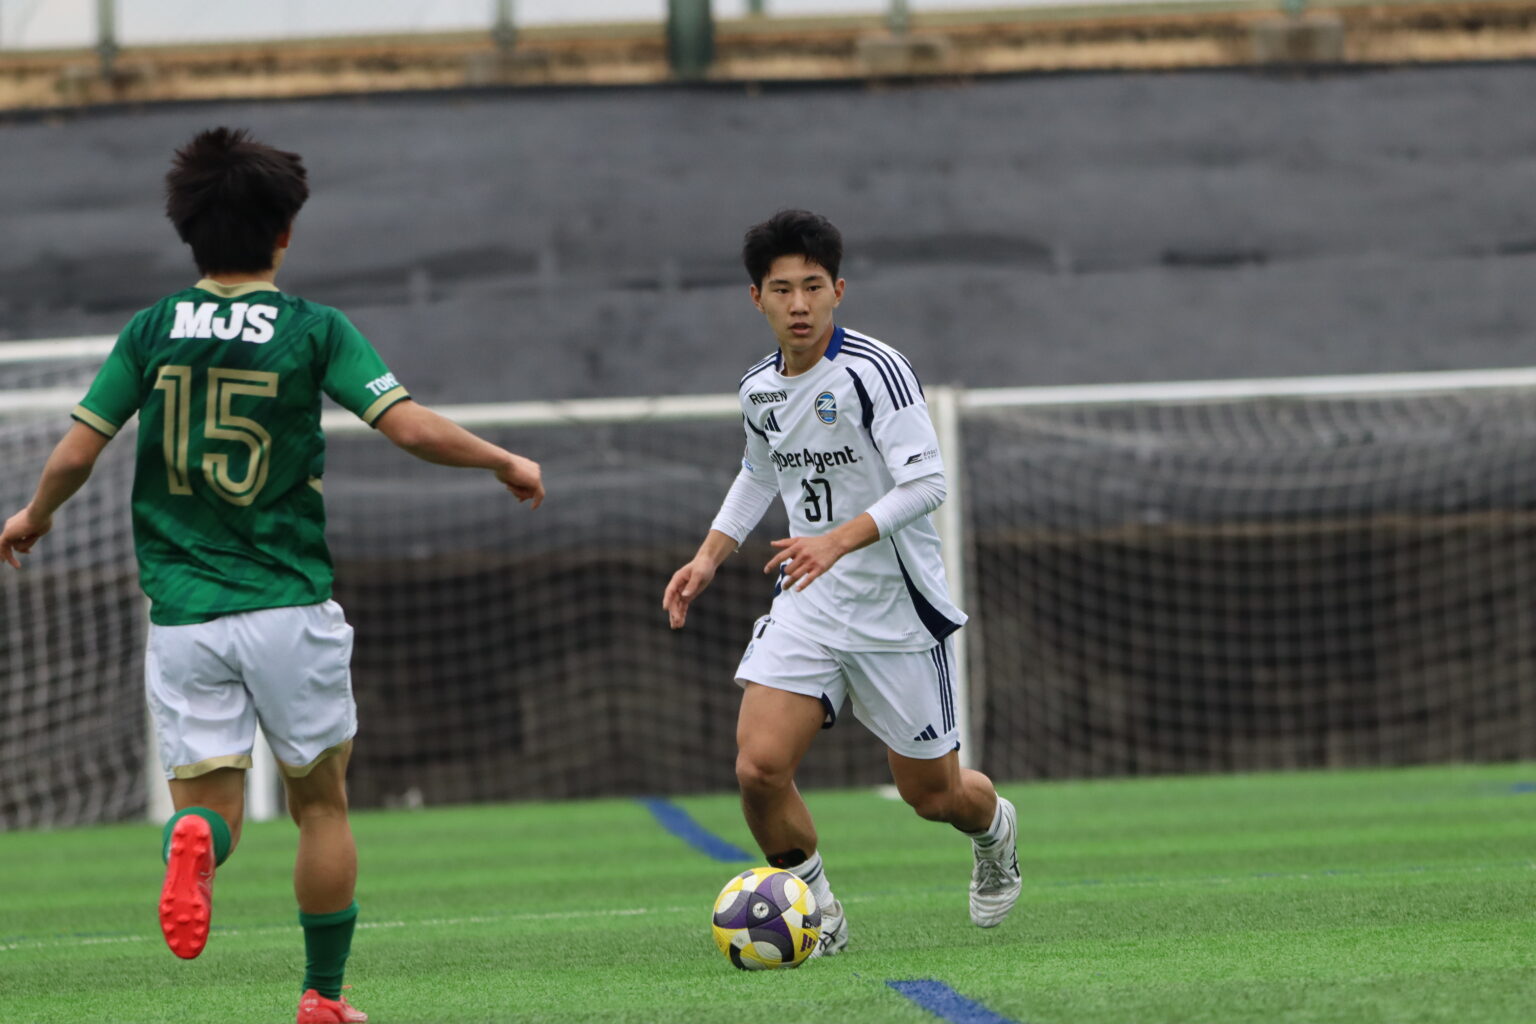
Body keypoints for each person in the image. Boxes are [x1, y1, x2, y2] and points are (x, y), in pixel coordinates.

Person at [0, 127, 544, 1024]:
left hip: (184, 616)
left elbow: (77, 451)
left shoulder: (152, 329)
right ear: (285, 232)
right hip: (289, 607)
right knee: (321, 808)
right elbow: (407, 426)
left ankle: (194, 837)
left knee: (212, 811)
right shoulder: (313, 329)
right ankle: (323, 998)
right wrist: (501, 460)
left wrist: (34, 515)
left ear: (187, 231)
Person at [662, 209, 1020, 956]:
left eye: (813, 286)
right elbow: (759, 474)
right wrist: (708, 557)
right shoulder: (757, 388)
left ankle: (994, 835)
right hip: (810, 603)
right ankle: (819, 913)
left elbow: (927, 484)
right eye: (782, 289)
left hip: (896, 612)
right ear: (756, 298)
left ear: (838, 291)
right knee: (759, 768)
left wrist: (836, 539)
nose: (799, 304)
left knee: (935, 797)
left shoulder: (875, 372)